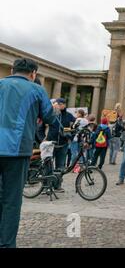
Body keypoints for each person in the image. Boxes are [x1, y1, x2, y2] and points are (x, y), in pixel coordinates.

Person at [0, 58, 56, 248]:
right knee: (11, 201)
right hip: (17, 150)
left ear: (11, 69)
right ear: (33, 74)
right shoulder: (36, 89)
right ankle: (6, 244)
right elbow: (49, 116)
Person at [46, 98, 75, 192]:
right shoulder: (51, 114)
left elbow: (74, 128)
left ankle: (57, 185)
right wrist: (43, 139)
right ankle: (46, 185)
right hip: (51, 144)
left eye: (61, 104)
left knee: (60, 166)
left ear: (64, 105)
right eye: (57, 103)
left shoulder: (69, 116)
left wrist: (70, 138)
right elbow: (41, 127)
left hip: (63, 145)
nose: (59, 105)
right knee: (48, 165)